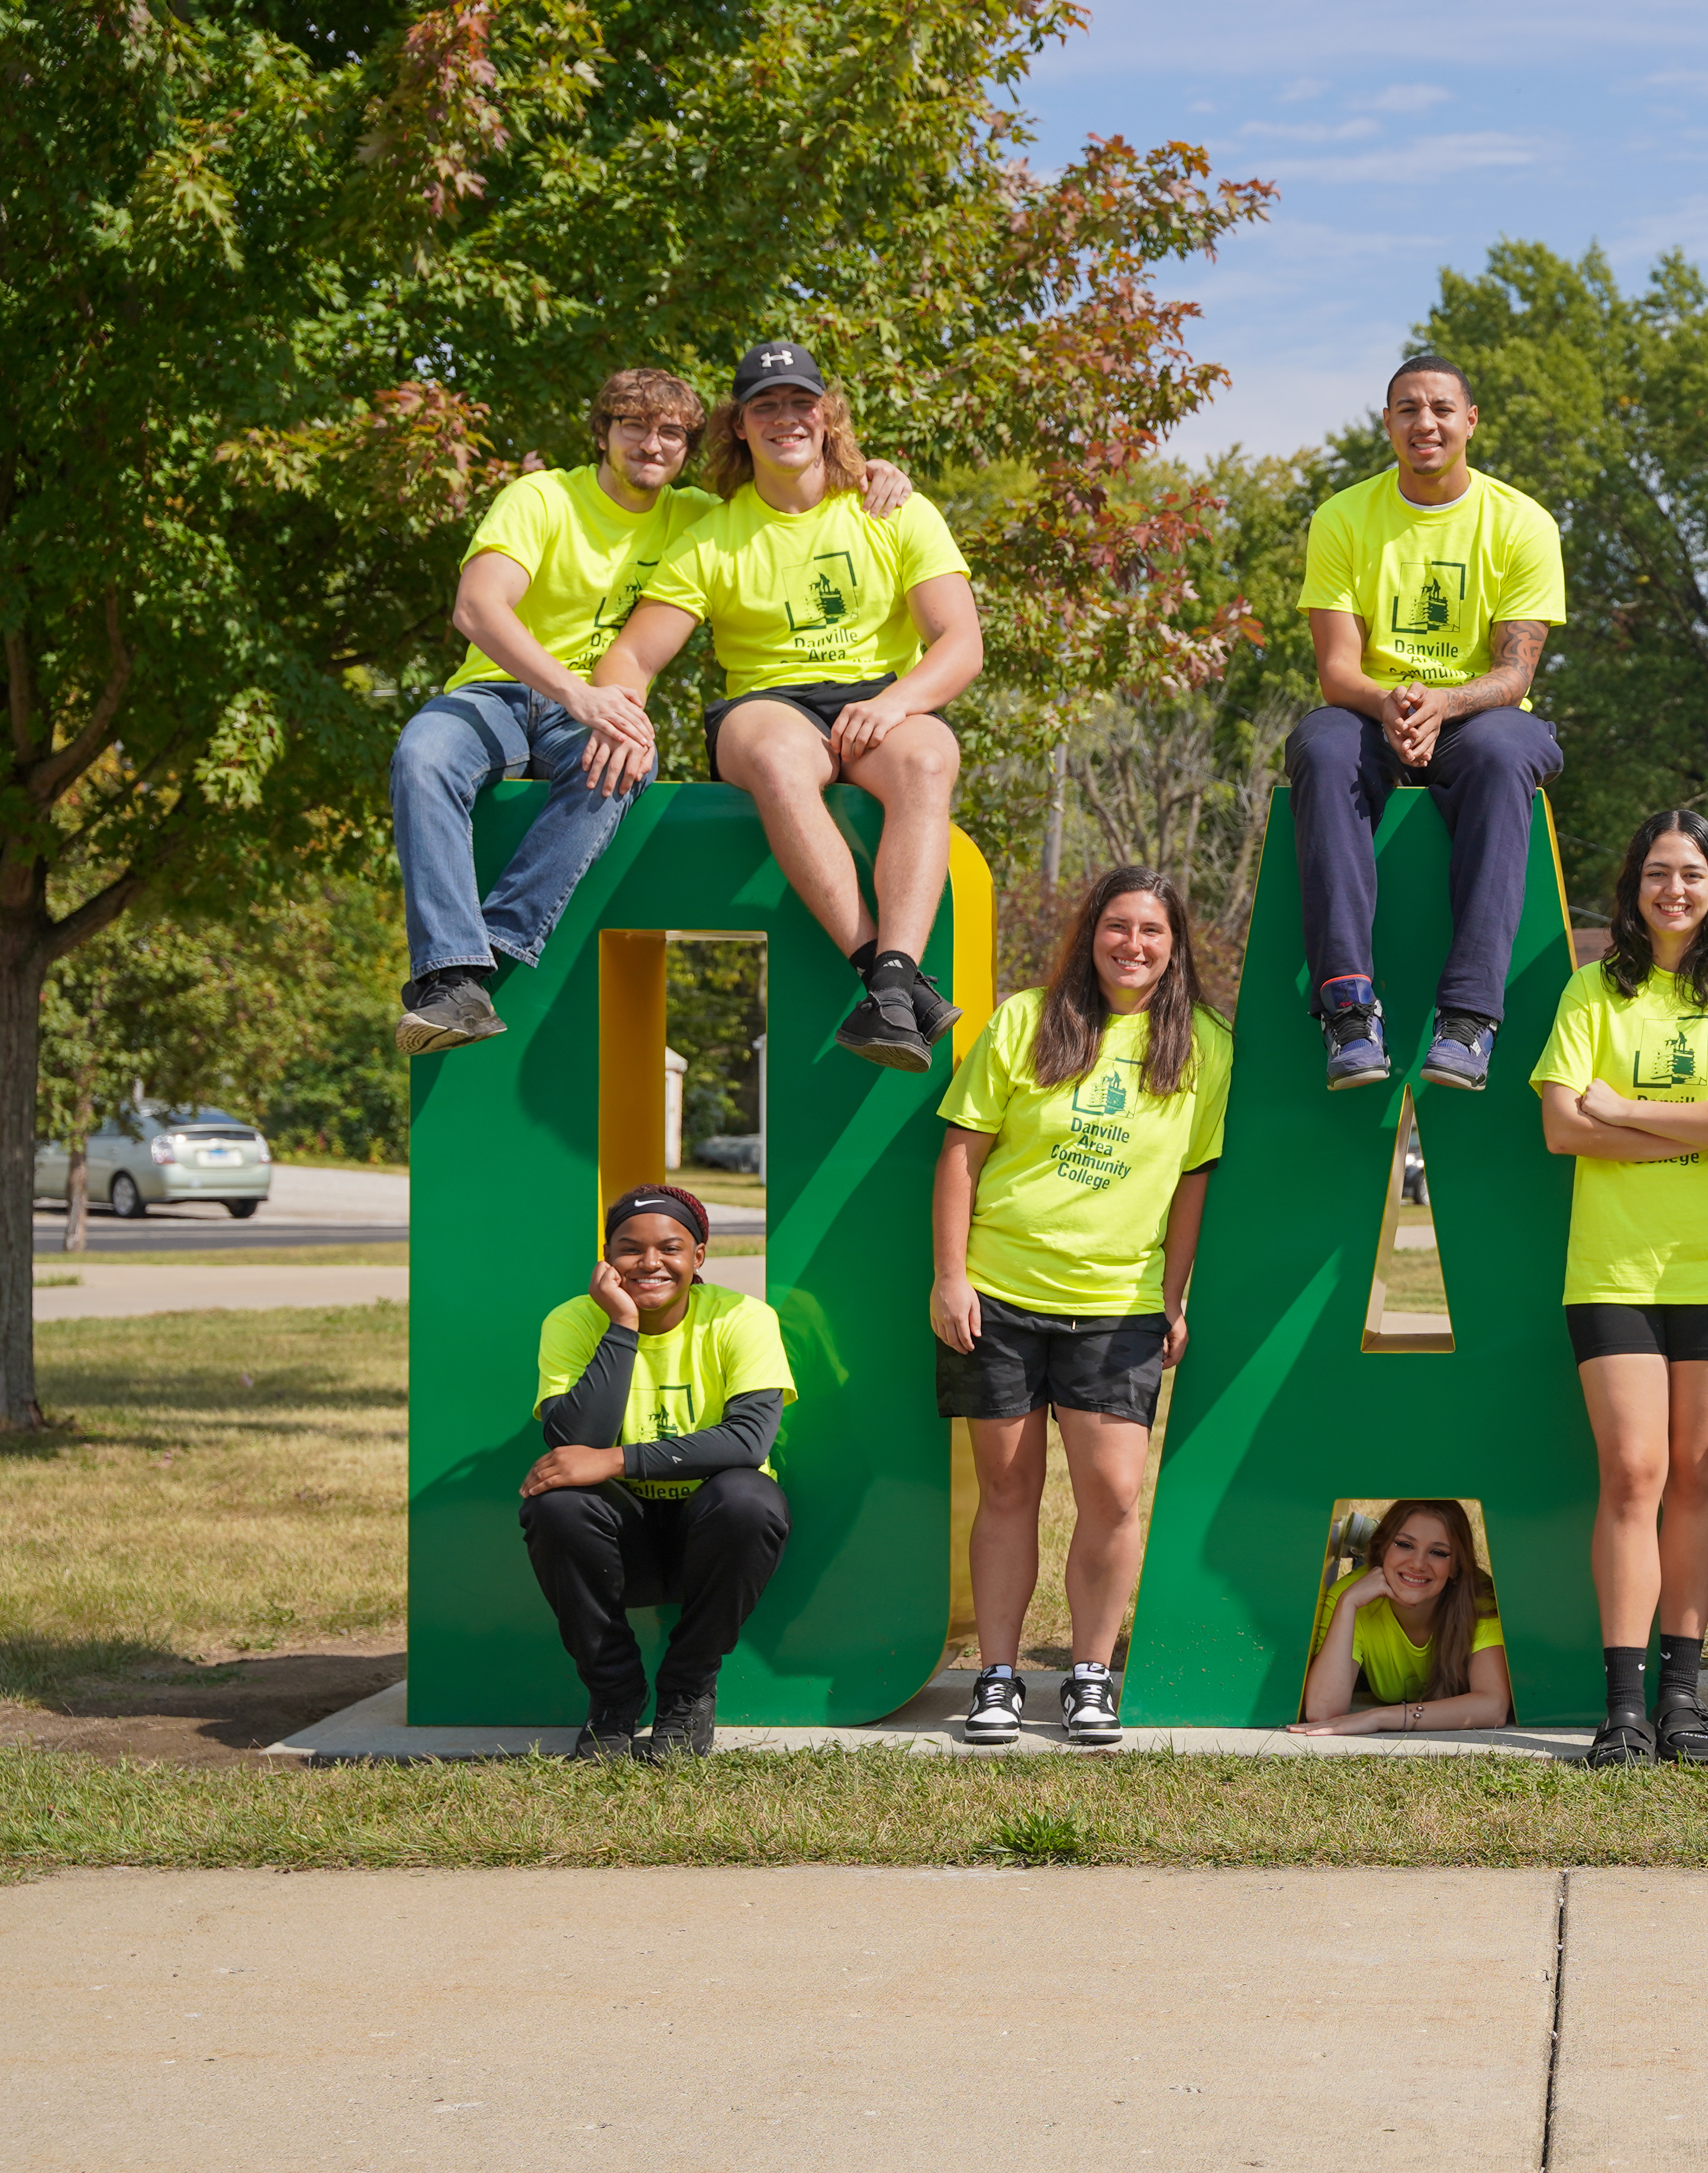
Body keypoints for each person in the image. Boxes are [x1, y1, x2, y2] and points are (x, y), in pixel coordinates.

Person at [390, 366, 913, 1054]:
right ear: (602, 433)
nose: (652, 443)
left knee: (625, 764)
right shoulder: (541, 497)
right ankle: (448, 976)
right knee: (421, 755)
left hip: (595, 716)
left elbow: (791, 487)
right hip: (497, 693)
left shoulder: (698, 517)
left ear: (690, 446)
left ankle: (494, 947)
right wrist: (576, 691)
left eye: (671, 432)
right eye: (632, 425)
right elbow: (477, 607)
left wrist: (872, 469)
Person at [595, 339, 982, 1072]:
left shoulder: (894, 508)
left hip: (876, 699)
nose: (786, 419)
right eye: (764, 406)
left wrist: (897, 702)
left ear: (826, 416)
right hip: (767, 705)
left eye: (800, 403)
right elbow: (634, 656)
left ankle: (894, 982)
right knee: (778, 756)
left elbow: (960, 643)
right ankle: (887, 981)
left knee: (933, 756)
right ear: (739, 425)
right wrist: (620, 711)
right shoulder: (710, 534)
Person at [930, 864, 1231, 1747]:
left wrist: (1173, 1297)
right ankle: (999, 1676)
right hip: (1002, 1299)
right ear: (1089, 934)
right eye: (1117, 927)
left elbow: (1194, 1184)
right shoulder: (1026, 1021)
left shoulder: (1206, 1045)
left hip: (1118, 1305)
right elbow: (961, 1154)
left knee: (1112, 1493)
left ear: (1175, 948)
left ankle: (1090, 1675)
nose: (1132, 945)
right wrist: (952, 1276)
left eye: (1152, 932)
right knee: (1009, 1491)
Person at [1530, 810, 1708, 1768]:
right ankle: (1624, 1706)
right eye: (1656, 873)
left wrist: (1627, 1112)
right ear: (1632, 886)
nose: (1673, 889)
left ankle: (1684, 1696)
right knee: (1634, 1473)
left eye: (1691, 873)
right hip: (1614, 1267)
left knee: (1699, 1473)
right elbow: (1564, 1126)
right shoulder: (1595, 991)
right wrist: (1697, 1123)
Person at [1290, 353, 1569, 1094]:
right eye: (1408, 409)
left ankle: (1469, 1019)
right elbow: (1337, 670)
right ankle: (1348, 1010)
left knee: (1507, 753)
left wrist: (1446, 703)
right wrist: (1388, 705)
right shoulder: (1344, 517)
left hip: (1479, 717)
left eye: (1442, 408)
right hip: (1373, 710)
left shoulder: (1523, 524)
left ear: (1470, 421)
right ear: (1388, 424)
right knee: (1320, 746)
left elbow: (1517, 673)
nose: (1426, 423)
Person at [520, 1185, 794, 1760]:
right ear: (606, 1258)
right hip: (622, 1544)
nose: (649, 1262)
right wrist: (621, 1325)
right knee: (557, 1503)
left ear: (698, 1256)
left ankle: (687, 1692)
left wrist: (617, 1459)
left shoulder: (743, 1318)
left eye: (670, 1247)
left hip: (716, 1538)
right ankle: (614, 1698)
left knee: (750, 1498)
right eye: (629, 1249)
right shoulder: (573, 1321)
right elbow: (575, 1443)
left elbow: (749, 1440)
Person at [1288, 1499, 1516, 1736]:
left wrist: (1381, 1717)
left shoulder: (1480, 1599)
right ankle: (1362, 1548)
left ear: (1456, 1566)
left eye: (1439, 1553)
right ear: (1384, 1548)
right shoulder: (1350, 1596)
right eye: (1405, 1545)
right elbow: (1322, 1712)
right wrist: (1348, 1604)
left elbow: (1493, 1706)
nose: (1418, 1564)